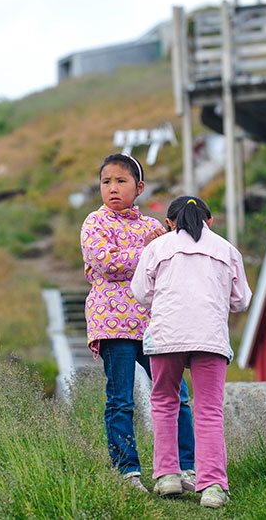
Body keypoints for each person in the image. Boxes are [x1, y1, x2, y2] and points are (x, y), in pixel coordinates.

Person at [80, 153, 196, 493]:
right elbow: (104, 263)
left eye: (121, 181)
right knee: (121, 399)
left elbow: (170, 265)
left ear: (139, 187)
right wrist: (145, 253)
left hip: (154, 323)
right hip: (112, 323)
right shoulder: (94, 222)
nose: (113, 188)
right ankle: (127, 471)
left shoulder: (153, 228)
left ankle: (183, 469)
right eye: (106, 182)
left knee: (177, 396)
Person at [130, 196, 252, 508]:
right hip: (209, 337)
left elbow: (141, 293)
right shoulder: (227, 250)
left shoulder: (157, 248)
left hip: (167, 335)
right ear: (209, 222)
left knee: (164, 402)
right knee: (209, 410)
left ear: (169, 222)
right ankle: (212, 487)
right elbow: (241, 301)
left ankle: (168, 475)